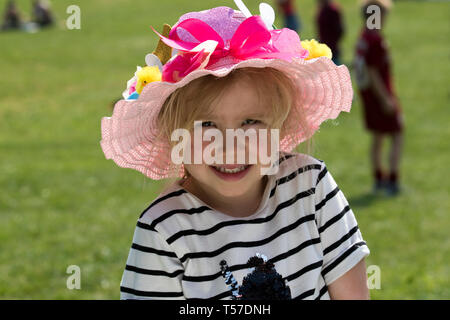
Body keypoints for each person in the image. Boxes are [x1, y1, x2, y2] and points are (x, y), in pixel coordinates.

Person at [100, 5, 370, 300]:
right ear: (173, 136)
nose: (230, 146)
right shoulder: (165, 229)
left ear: (278, 126)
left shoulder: (310, 188)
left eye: (251, 121)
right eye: (207, 125)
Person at [353, 0, 403, 195]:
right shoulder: (375, 41)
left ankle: (378, 178)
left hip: (368, 96)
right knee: (397, 134)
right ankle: (392, 180)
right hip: (379, 96)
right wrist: (386, 99)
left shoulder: (364, 37)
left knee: (378, 136)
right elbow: (373, 72)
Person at [316, 0, 344, 65]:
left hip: (330, 46)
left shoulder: (330, 10)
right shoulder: (324, 9)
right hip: (327, 46)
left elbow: (339, 30)